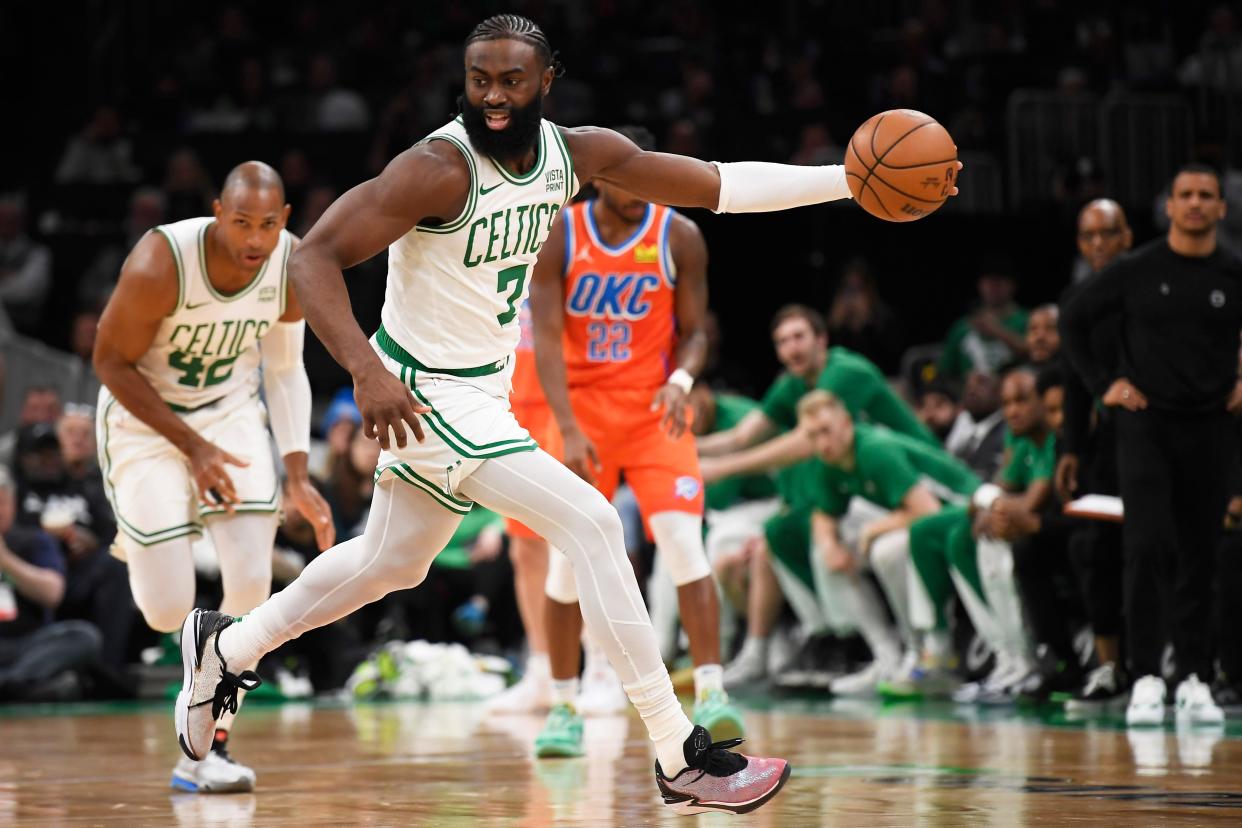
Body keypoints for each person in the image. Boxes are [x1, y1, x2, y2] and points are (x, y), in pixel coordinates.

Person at [174, 15, 956, 812]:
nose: (495, 96)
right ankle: (678, 750)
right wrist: (366, 371)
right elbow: (310, 257)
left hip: (481, 388)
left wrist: (847, 181)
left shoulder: (577, 154)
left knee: (391, 563)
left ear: (547, 81)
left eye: (512, 80)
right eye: (480, 80)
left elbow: (719, 183)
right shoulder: (437, 168)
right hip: (426, 391)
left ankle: (226, 645)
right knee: (590, 523)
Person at [93, 161, 334, 792]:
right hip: (144, 420)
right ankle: (163, 546)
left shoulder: (290, 261)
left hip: (229, 413)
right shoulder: (162, 260)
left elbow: (284, 371)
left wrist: (298, 472)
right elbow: (109, 362)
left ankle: (206, 750)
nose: (254, 239)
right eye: (241, 223)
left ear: (284, 221)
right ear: (217, 214)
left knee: (252, 582)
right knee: (164, 607)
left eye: (267, 225)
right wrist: (190, 448)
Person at [528, 124, 742, 757]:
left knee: (682, 541)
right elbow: (544, 338)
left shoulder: (678, 234)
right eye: (630, 176)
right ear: (598, 175)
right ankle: (563, 705)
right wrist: (565, 427)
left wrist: (682, 377)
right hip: (582, 414)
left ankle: (712, 692)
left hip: (655, 414)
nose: (644, 189)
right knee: (567, 560)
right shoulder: (561, 233)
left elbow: (699, 333)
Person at [1062, 164, 1242, 727]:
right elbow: (1072, 320)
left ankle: (1193, 675)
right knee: (1145, 549)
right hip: (1145, 427)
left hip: (1210, 424)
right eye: (1184, 194)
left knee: (1201, 552)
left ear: (1221, 208)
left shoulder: (1233, 271)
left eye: (1205, 196)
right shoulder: (1137, 270)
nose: (1194, 204)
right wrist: (1102, 385)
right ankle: (1143, 677)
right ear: (1168, 206)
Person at [699, 305, 937, 688]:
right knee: (790, 536)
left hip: (914, 479)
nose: (791, 348)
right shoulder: (792, 384)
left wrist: (723, 469)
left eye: (799, 337)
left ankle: (893, 650)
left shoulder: (847, 372)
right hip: (864, 491)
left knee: (829, 544)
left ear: (821, 339)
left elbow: (805, 441)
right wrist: (686, 447)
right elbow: (743, 436)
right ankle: (843, 644)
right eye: (782, 341)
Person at [794, 390, 982, 697]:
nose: (822, 443)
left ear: (846, 423)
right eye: (812, 436)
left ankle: (924, 652)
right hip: (919, 521)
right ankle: (887, 657)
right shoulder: (827, 460)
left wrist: (875, 528)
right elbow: (823, 515)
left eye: (826, 431)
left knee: (888, 551)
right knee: (829, 553)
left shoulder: (876, 449)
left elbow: (929, 510)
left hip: (962, 507)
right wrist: (830, 546)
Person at [1055, 198, 1132, 712]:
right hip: (1111, 442)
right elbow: (1077, 383)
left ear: (1127, 236)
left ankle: (1177, 664)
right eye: (1089, 236)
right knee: (1094, 548)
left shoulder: (1151, 285)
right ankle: (1109, 666)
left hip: (1170, 433)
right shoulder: (1078, 299)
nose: (1099, 244)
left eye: (1108, 233)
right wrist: (1071, 449)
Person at [484, 298, 553, 716]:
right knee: (525, 549)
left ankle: (599, 669)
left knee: (573, 547)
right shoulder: (492, 244)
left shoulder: (565, 247)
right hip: (508, 406)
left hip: (563, 405)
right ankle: (542, 671)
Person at [0, 465, 102, 702]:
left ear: (13, 504)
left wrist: (6, 560)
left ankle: (11, 682)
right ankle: (24, 687)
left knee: (83, 636)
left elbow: (53, 593)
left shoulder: (34, 541)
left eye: (3, 502)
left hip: (28, 644)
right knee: (61, 686)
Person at [937, 263, 1029, 378]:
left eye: (999, 281)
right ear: (979, 284)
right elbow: (944, 372)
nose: (993, 286)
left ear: (1013, 285)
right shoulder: (961, 327)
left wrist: (998, 331)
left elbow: (1034, 356)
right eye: (988, 281)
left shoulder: (1028, 320)